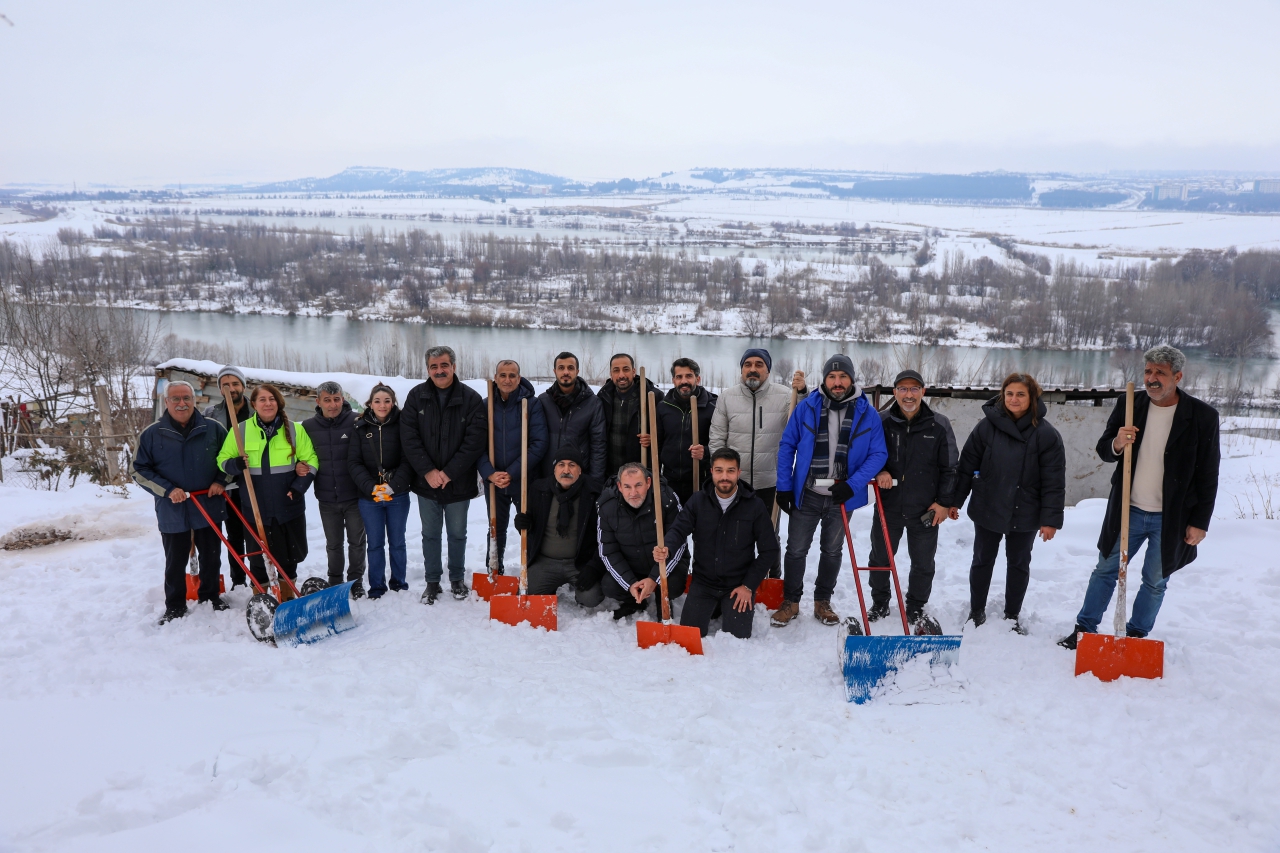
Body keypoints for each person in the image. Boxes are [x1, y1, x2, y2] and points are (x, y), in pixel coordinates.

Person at [1059, 345, 1220, 649]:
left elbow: (1208, 474)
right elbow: (1104, 449)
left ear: (1178, 376)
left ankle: (1135, 637)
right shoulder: (1130, 403)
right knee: (1105, 571)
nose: (1152, 378)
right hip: (1128, 510)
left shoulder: (1202, 417)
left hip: (1171, 517)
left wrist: (1200, 522)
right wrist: (1118, 442)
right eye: (1148, 371)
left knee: (1155, 581)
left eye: (1160, 372)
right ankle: (1084, 630)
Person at [773, 355, 888, 627]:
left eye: (843, 377)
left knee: (832, 551)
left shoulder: (867, 412)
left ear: (851, 379)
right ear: (824, 379)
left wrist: (852, 485)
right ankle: (791, 601)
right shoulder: (807, 407)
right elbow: (787, 445)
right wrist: (784, 486)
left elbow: (878, 453)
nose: (837, 382)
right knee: (796, 549)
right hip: (809, 492)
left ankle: (822, 601)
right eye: (832, 377)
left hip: (842, 496)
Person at [952, 373, 1066, 634]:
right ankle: (976, 610)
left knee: (1018, 563)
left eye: (1021, 394)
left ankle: (1012, 615)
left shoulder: (1046, 434)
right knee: (982, 560)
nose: (1014, 399)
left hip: (1025, 509)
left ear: (1033, 398)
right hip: (988, 504)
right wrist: (954, 501)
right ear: (1002, 396)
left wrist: (1050, 520)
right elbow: (967, 465)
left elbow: (1054, 481)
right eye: (1010, 394)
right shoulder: (986, 427)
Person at [866, 369, 958, 630]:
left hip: (925, 509)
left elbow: (951, 468)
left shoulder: (939, 424)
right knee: (880, 558)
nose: (908, 394)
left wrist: (943, 503)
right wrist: (879, 471)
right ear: (894, 392)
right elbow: (866, 455)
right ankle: (880, 603)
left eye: (914, 389)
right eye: (903, 389)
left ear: (923, 392)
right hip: (889, 507)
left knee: (923, 562)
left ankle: (916, 606)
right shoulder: (880, 422)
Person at [132, 381, 230, 624]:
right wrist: (167, 490)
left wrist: (221, 481)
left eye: (186, 397)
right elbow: (138, 469)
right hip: (173, 507)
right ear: (166, 402)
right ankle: (175, 605)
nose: (181, 403)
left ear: (194, 400)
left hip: (207, 501)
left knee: (211, 554)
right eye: (175, 398)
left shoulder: (213, 428)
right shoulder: (152, 434)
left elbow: (231, 459)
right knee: (175, 559)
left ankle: (211, 597)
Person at [654, 448, 778, 639]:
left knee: (738, 638)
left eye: (730, 470)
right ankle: (714, 607)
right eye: (719, 470)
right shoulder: (697, 502)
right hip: (704, 582)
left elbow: (769, 550)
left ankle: (725, 607)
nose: (724, 476)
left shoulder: (754, 506)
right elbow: (678, 530)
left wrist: (748, 586)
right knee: (689, 635)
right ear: (711, 471)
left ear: (738, 473)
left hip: (738, 585)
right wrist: (667, 548)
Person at [401, 345, 486, 604]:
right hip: (426, 482)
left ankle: (457, 578)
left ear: (454, 366)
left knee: (457, 533)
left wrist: (448, 472)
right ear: (427, 369)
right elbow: (409, 437)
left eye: (444, 365)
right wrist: (427, 471)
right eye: (434, 366)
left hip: (458, 482)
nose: (439, 370)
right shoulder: (416, 397)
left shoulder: (470, 398)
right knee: (430, 534)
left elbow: (474, 441)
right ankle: (432, 582)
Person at [216, 383, 319, 590]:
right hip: (255, 505)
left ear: (278, 402)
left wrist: (299, 487)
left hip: (287, 503)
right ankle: (260, 597)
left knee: (289, 553)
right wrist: (235, 464)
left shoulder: (294, 429)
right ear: (254, 403)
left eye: (272, 399)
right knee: (257, 556)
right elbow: (222, 459)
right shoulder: (241, 430)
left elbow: (312, 460)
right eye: (262, 399)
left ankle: (288, 593)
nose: (268, 403)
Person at [478, 360, 548, 575]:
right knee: (495, 527)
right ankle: (494, 569)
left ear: (519, 378)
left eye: (512, 375)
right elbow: (475, 444)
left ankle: (535, 571)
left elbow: (539, 443)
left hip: (523, 479)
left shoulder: (532, 404)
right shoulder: (485, 404)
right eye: (503, 375)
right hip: (495, 480)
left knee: (528, 526)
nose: (507, 379)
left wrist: (512, 472)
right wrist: (490, 473)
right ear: (496, 378)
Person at [596, 462, 688, 620]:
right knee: (610, 585)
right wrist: (630, 583)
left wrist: (654, 579)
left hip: (663, 563)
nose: (633, 492)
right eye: (627, 486)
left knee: (674, 584)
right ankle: (634, 600)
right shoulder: (607, 507)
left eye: (638, 485)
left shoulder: (666, 499)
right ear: (619, 486)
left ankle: (663, 600)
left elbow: (679, 540)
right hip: (632, 566)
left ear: (648, 483)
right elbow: (608, 551)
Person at [349, 383, 416, 599]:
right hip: (369, 498)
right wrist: (371, 488)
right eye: (377, 401)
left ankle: (399, 583)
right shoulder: (360, 428)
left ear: (393, 402)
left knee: (397, 542)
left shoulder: (404, 425)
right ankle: (376, 587)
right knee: (375, 544)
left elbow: (409, 461)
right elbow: (354, 463)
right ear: (370, 403)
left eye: (387, 400)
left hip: (398, 494)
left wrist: (392, 486)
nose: (382, 405)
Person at [512, 445, 604, 598]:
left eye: (572, 465)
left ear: (580, 470)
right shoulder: (539, 490)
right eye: (561, 465)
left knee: (592, 598)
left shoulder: (594, 493)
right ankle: (548, 584)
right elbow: (532, 526)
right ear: (554, 469)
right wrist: (523, 524)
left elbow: (604, 537)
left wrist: (593, 568)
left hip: (579, 562)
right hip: (546, 562)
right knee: (527, 593)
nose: (566, 470)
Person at [303, 381, 366, 598]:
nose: (333, 405)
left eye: (337, 399)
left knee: (357, 542)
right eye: (327, 400)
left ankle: (356, 581)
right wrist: (299, 465)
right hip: (327, 497)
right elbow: (301, 455)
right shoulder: (307, 427)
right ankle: (335, 581)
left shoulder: (357, 420)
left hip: (355, 495)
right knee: (333, 543)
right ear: (318, 401)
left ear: (343, 399)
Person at [203, 364, 256, 588]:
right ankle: (239, 579)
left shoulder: (256, 411)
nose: (230, 388)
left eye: (235, 383)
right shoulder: (211, 414)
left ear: (243, 386)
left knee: (255, 531)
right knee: (234, 534)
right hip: (226, 483)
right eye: (225, 384)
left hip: (254, 481)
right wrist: (219, 478)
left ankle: (259, 575)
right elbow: (210, 450)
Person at [655, 357, 718, 505]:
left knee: (700, 525)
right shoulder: (663, 406)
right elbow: (657, 443)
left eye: (689, 376)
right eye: (679, 377)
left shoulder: (713, 406)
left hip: (701, 480)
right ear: (673, 380)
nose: (684, 381)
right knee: (673, 525)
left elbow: (723, 442)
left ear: (698, 378)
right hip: (670, 481)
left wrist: (706, 452)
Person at [539, 351, 607, 484]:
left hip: (579, 477)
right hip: (548, 475)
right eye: (561, 368)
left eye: (570, 368)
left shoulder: (592, 403)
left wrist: (595, 482)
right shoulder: (543, 401)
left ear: (577, 371)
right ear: (554, 371)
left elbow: (598, 445)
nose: (566, 372)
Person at [597, 353, 661, 478]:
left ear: (633, 371)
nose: (621, 375)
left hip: (640, 473)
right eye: (616, 370)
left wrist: (654, 438)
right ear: (611, 374)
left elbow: (665, 433)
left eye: (626, 369)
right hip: (611, 472)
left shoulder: (652, 397)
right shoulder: (603, 397)